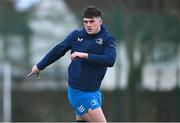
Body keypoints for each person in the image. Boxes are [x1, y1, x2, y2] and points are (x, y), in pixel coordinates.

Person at [27, 6, 116, 122]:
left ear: (100, 21)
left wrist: (85, 55)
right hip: (78, 92)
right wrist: (39, 66)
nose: (88, 25)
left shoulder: (107, 39)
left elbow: (110, 60)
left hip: (94, 91)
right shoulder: (76, 36)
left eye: (91, 21)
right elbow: (58, 50)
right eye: (85, 22)